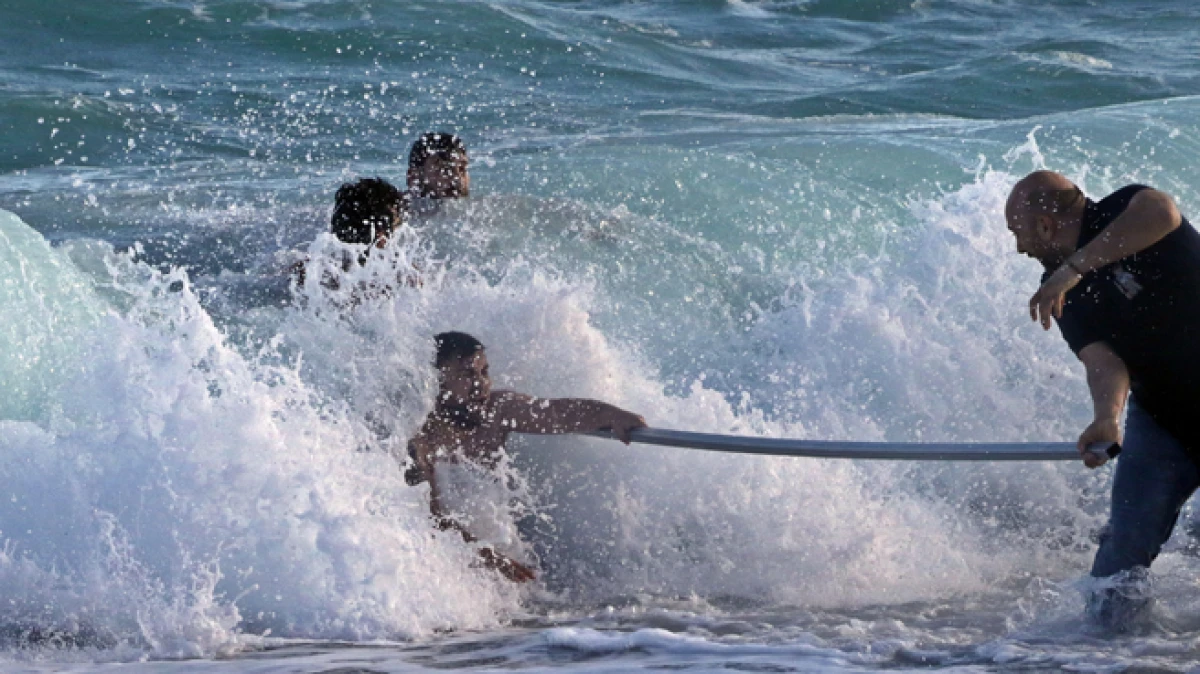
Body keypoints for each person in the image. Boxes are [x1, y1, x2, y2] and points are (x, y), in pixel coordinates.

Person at [1005, 170, 1200, 627]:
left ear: (1046, 226)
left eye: (1019, 233)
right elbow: (1104, 362)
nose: (1020, 248)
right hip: (1164, 421)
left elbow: (1161, 211)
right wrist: (1106, 418)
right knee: (1122, 552)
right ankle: (1108, 652)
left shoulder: (1126, 209)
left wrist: (1075, 269)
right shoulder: (1059, 290)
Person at [405, 331, 646, 582]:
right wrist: (492, 560)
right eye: (467, 375)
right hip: (443, 573)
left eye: (484, 372)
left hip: (502, 561)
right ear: (437, 381)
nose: (480, 384)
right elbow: (430, 522)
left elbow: (556, 413)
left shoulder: (496, 410)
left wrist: (611, 415)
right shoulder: (420, 441)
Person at [407, 132, 469, 214]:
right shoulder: (396, 218)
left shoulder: (480, 215)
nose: (457, 178)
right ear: (413, 177)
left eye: (462, 168)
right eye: (445, 168)